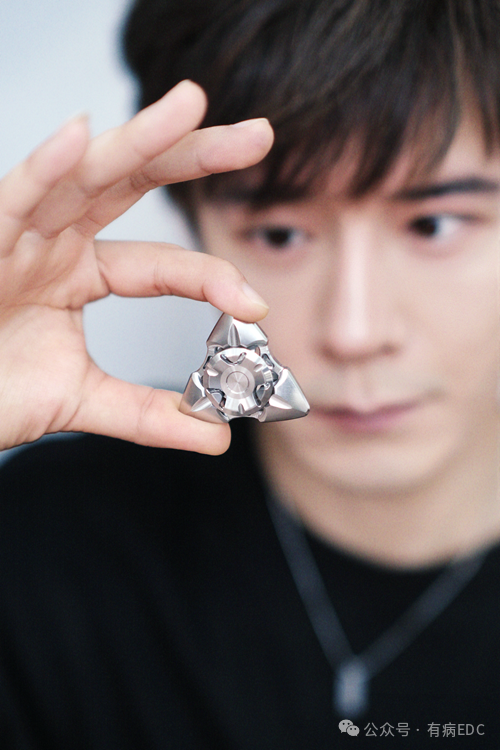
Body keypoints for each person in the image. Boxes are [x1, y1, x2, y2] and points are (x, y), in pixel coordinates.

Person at [0, 0, 499, 747]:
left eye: (433, 224)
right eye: (280, 233)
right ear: (195, 221)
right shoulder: (47, 545)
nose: (355, 332)